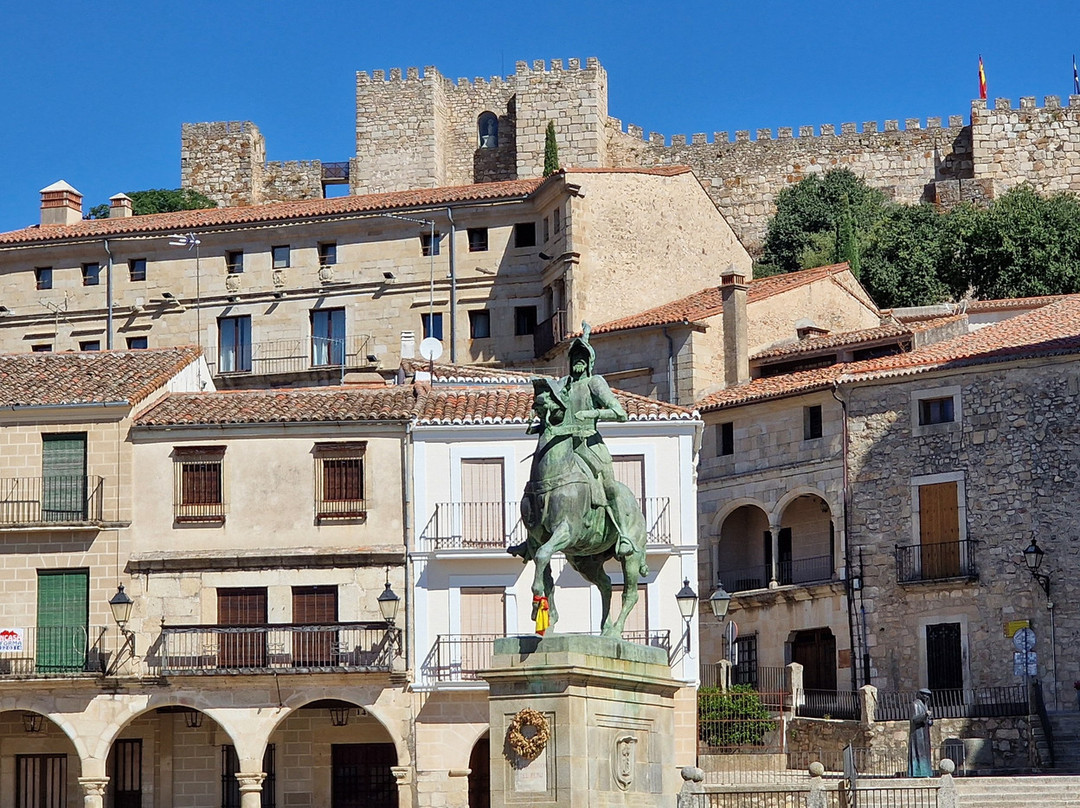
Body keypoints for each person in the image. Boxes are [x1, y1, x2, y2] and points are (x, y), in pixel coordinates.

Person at [908, 688, 933, 777]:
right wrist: (925, 715)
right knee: (918, 753)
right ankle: (917, 772)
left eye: (928, 695)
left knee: (925, 753)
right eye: (924, 695)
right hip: (917, 734)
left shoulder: (925, 705)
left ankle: (926, 772)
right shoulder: (915, 704)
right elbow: (914, 719)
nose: (926, 697)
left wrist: (930, 721)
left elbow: (928, 720)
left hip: (925, 733)